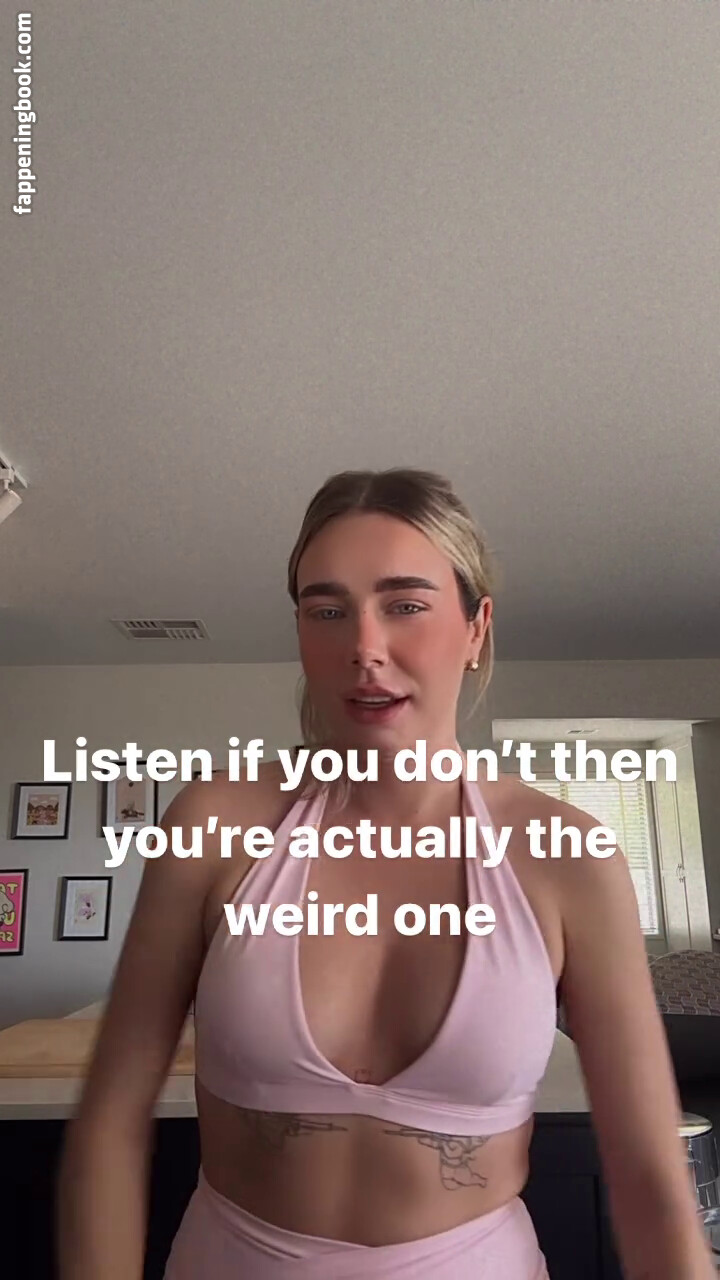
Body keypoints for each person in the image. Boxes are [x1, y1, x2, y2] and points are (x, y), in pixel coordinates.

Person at [57, 468, 715, 1279]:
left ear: (475, 628)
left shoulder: (566, 854)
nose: (363, 647)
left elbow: (650, 1174)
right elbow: (109, 1125)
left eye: (405, 605)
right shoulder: (213, 825)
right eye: (327, 610)